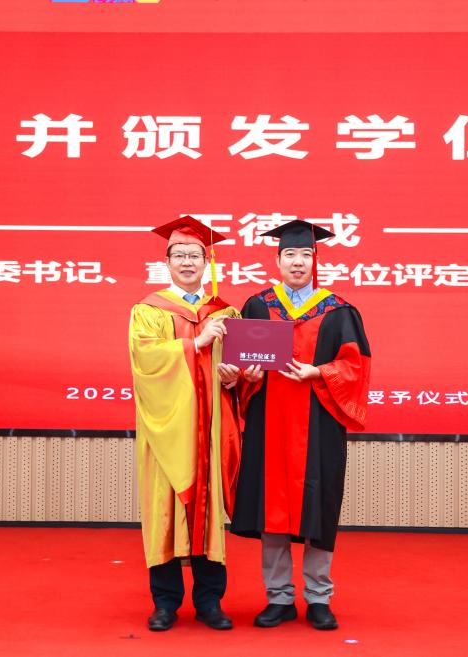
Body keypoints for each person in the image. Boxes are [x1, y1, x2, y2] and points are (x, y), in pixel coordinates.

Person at [226, 220, 372, 631]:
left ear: (315, 260)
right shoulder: (258, 306)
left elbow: (356, 366)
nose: (297, 262)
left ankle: (319, 597)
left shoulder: (338, 311)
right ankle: (279, 597)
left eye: (305, 255)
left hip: (319, 425)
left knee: (318, 507)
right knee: (270, 507)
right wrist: (247, 376)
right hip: (268, 423)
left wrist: (318, 372)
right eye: (289, 254)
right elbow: (238, 367)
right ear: (277, 260)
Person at [129, 216, 257, 632]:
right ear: (166, 263)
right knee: (165, 512)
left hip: (213, 430)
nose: (187, 262)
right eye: (179, 255)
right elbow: (145, 362)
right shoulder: (148, 311)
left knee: (209, 513)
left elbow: (240, 369)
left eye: (194, 256)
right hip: (168, 432)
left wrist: (235, 377)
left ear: (207, 262)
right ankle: (165, 603)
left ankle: (209, 602)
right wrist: (195, 343)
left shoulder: (227, 312)